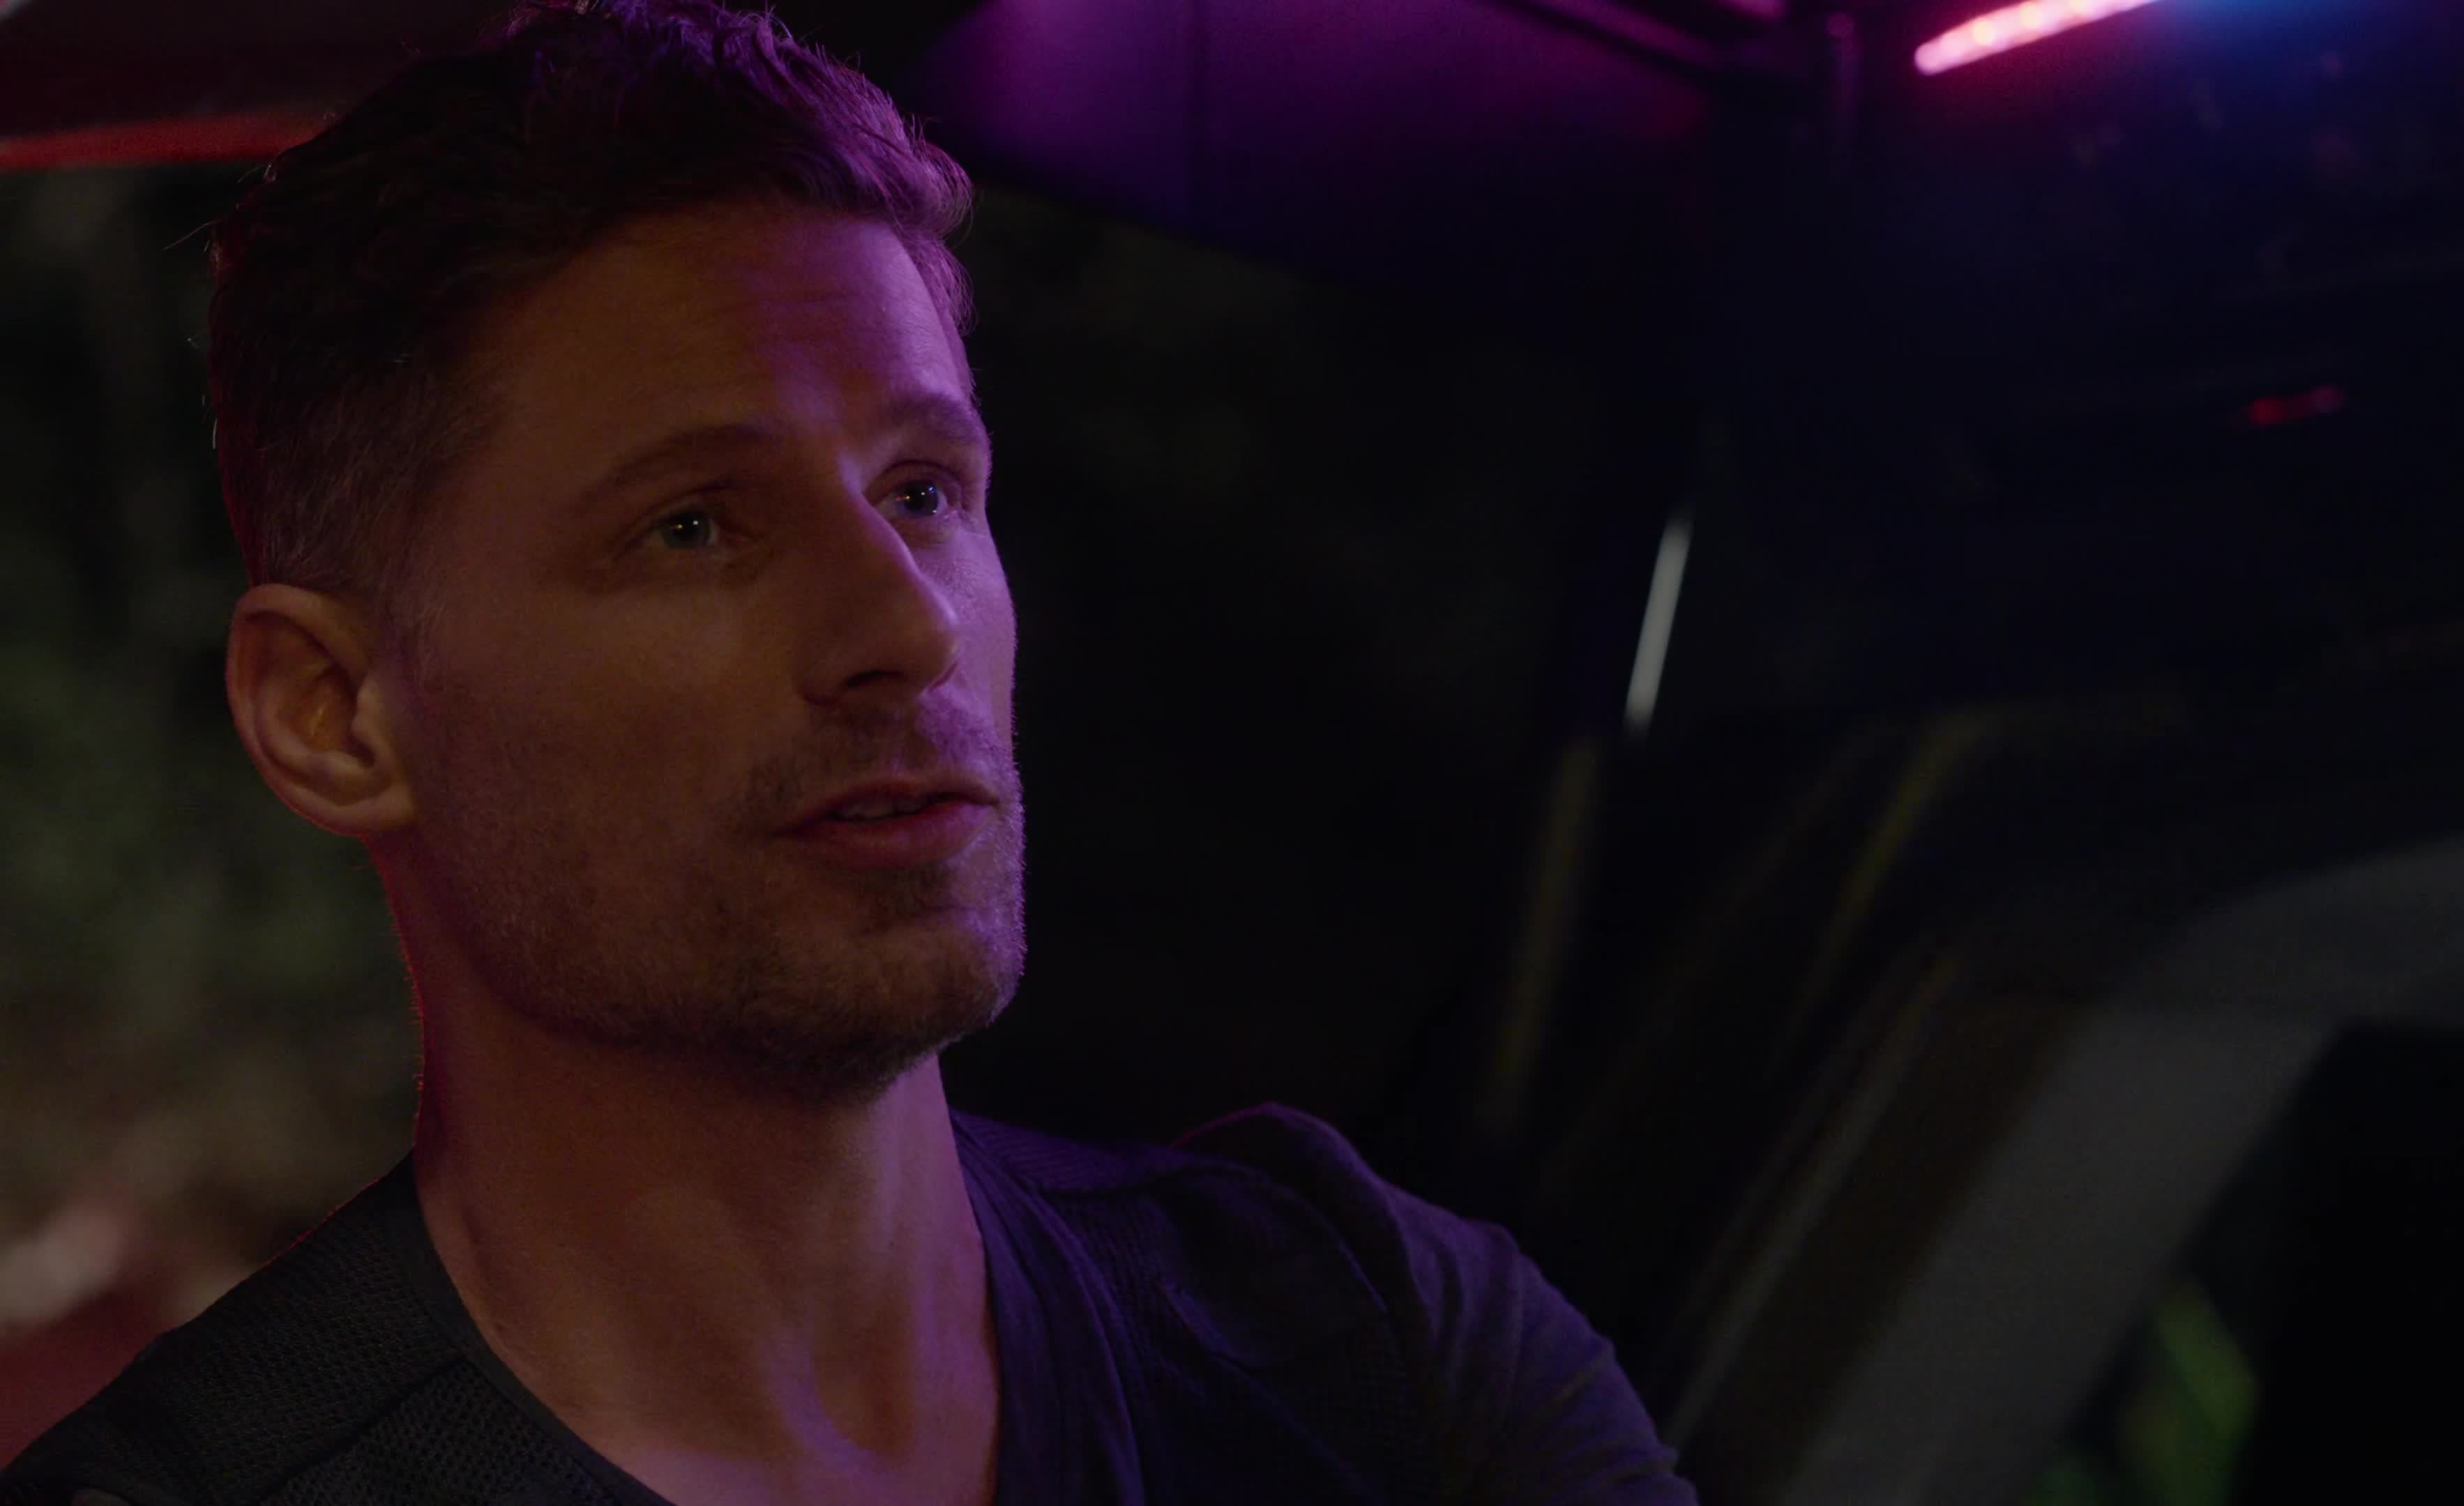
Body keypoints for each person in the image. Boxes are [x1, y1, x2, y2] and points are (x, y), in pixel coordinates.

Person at [0, 3, 1696, 1502]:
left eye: (924, 491)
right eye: (692, 526)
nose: (908, 623)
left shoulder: (1374, 1335)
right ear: (333, 716)